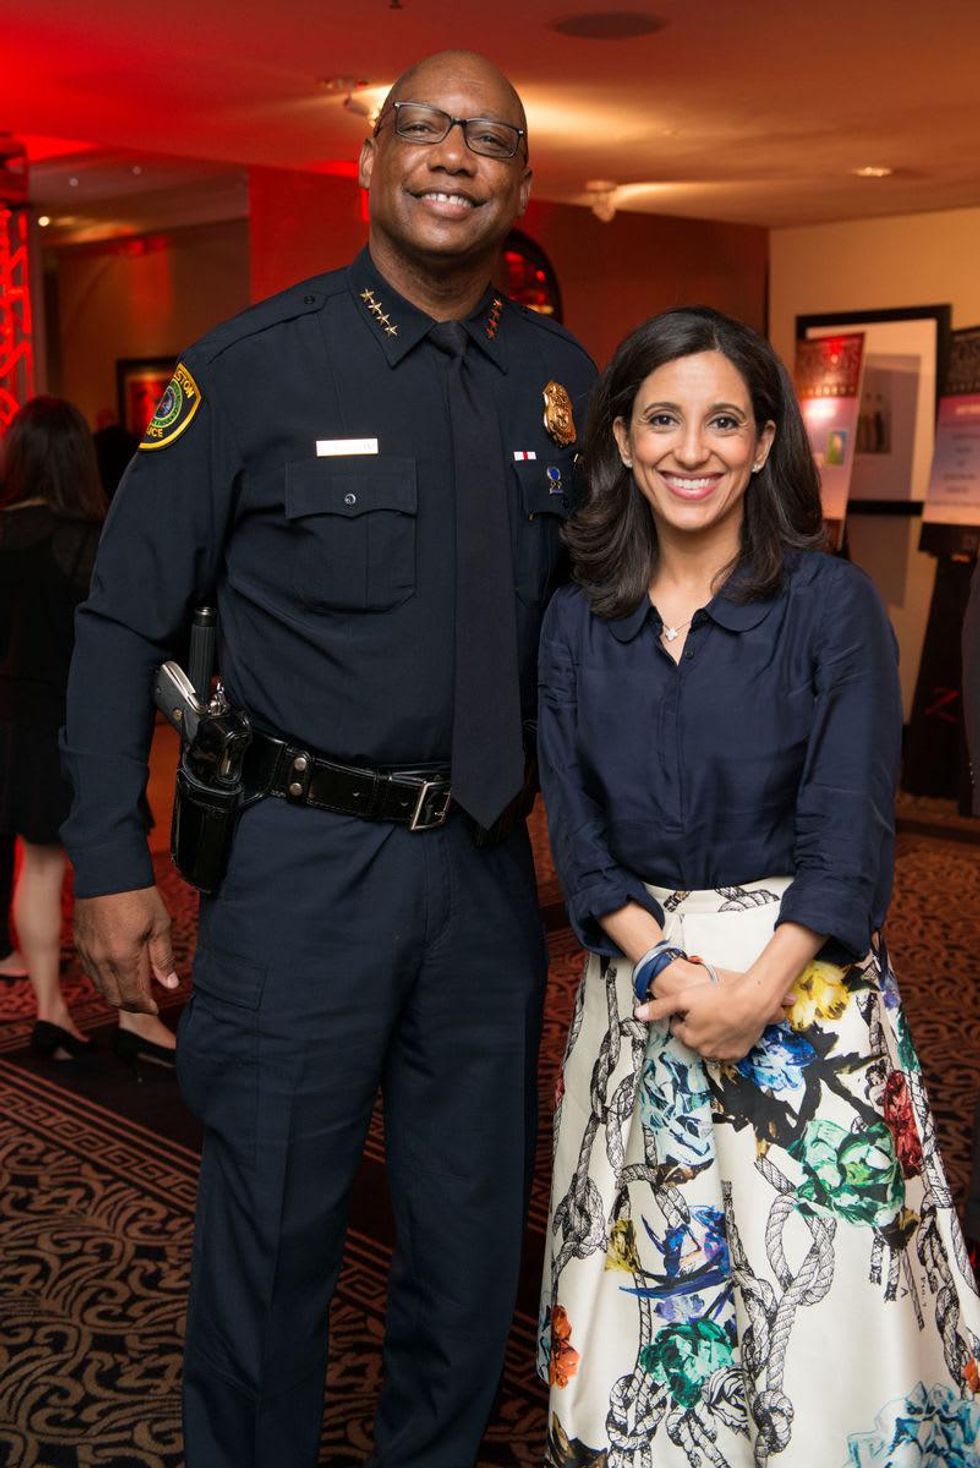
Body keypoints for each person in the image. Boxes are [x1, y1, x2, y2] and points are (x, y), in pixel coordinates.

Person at [61, 50, 595, 1468]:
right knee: (273, 1238)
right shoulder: (250, 369)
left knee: (472, 1244)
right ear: (368, 158)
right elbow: (118, 623)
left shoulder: (560, 382)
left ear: (520, 182)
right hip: (302, 871)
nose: (453, 156)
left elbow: (604, 631)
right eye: (424, 127)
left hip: (486, 876)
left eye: (488, 138)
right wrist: (108, 862)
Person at [536, 308, 980, 1466]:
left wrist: (750, 992)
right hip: (639, 993)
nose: (691, 450)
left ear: (764, 438)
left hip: (804, 1005)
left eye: (722, 421)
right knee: (654, 1328)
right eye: (661, 420)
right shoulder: (574, 620)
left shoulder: (830, 606)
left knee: (821, 1332)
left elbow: (848, 841)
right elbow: (578, 837)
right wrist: (667, 964)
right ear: (621, 439)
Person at [0, 397, 177, 1064]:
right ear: (78, 456)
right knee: (116, 865)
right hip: (83, 724)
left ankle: (50, 1012)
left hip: (15, 725)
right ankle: (136, 1019)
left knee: (40, 869)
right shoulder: (88, 540)